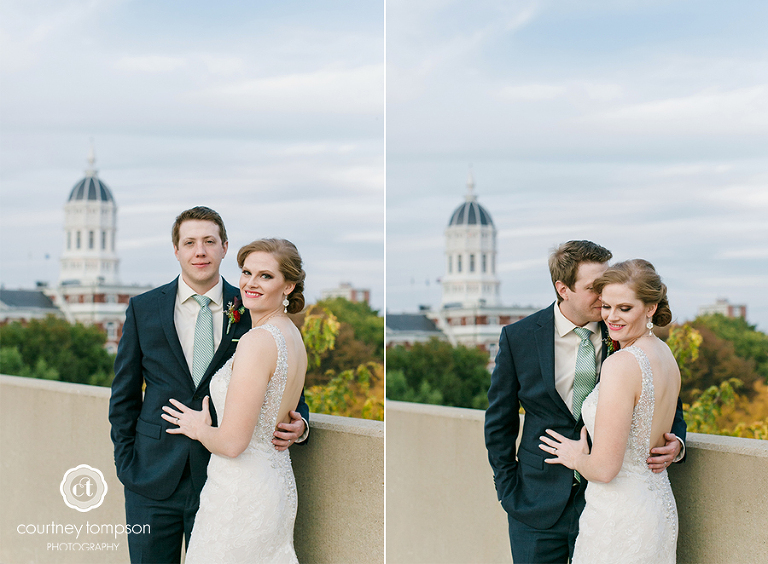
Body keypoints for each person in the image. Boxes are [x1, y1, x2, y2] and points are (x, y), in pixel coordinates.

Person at [109, 208, 309, 564]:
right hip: (151, 479)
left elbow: (284, 382)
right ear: (177, 250)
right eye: (189, 242)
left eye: (209, 242)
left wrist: (301, 424)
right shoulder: (144, 308)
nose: (199, 251)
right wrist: (127, 465)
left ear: (224, 248)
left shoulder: (252, 307)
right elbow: (123, 394)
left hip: (223, 478)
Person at [484, 241, 686, 563]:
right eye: (595, 288)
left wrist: (677, 442)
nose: (605, 298)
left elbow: (663, 398)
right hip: (535, 504)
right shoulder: (518, 338)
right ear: (563, 289)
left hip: (607, 504)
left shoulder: (622, 335)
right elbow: (499, 420)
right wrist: (508, 490)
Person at [162, 238, 307, 563]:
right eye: (246, 272)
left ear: (289, 285)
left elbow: (231, 443)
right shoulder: (292, 334)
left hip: (240, 492)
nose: (251, 283)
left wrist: (198, 427)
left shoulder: (257, 341)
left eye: (265, 276)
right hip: (275, 483)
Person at [539, 259, 680, 563]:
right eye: (606, 307)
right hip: (656, 506)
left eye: (625, 309)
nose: (611, 318)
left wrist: (575, 457)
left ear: (650, 308)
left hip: (619, 516)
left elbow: (604, 470)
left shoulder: (620, 364)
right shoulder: (665, 354)